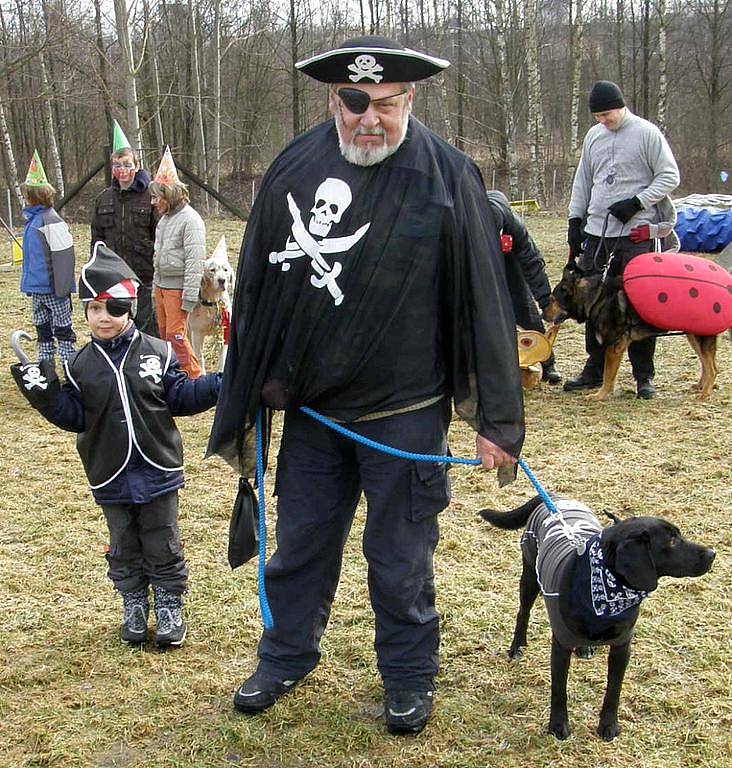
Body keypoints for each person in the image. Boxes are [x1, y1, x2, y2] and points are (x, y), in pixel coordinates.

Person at [207, 36, 525, 735]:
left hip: (406, 414)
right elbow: (259, 288)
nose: (369, 120)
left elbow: (483, 298)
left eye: (386, 104)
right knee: (303, 544)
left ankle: (409, 677)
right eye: (355, 105)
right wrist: (255, 385)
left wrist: (495, 416)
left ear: (409, 98)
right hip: (317, 412)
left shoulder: (446, 174)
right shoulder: (296, 167)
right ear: (333, 101)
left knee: (400, 558)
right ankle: (287, 654)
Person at [10, 244, 220, 648]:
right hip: (108, 472)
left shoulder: (158, 354)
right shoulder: (78, 366)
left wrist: (219, 386)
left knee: (163, 539)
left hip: (157, 468)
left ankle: (169, 604)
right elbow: (73, 417)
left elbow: (180, 397)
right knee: (123, 543)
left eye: (114, 307)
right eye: (94, 308)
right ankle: (134, 603)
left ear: (131, 306)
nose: (103, 317)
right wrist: (46, 394)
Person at [565, 80, 680, 399]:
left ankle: (643, 375)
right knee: (591, 301)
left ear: (620, 106)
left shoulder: (646, 133)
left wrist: (637, 202)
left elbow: (670, 176)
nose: (603, 121)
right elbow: (584, 179)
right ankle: (595, 368)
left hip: (635, 235)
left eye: (607, 114)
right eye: (597, 116)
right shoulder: (593, 137)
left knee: (639, 304)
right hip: (598, 233)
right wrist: (576, 219)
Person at [91, 120, 159, 336]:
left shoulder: (151, 197)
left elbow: (160, 235)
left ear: (136, 166)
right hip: (114, 277)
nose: (122, 170)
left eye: (127, 164)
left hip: (145, 276)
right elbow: (97, 240)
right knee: (118, 327)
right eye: (118, 165)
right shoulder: (103, 199)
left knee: (147, 328)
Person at [486, 190, 561, 384]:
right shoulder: (465, 220)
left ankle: (547, 363)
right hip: (473, 261)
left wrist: (546, 301)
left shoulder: (513, 225)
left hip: (510, 261)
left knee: (525, 308)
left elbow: (532, 263)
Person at [149, 145, 206, 379]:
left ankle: (193, 376)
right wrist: (155, 288)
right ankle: (174, 374)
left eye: (157, 197)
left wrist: (190, 296)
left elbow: (195, 260)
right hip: (162, 287)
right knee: (164, 334)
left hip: (178, 289)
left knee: (176, 335)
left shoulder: (190, 221)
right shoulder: (164, 221)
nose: (153, 202)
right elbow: (158, 257)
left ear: (169, 194)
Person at [20, 150, 76, 364]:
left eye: (27, 195)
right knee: (43, 331)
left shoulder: (51, 221)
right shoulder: (32, 222)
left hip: (54, 290)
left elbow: (64, 258)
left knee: (62, 330)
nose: (25, 199)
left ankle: (69, 366)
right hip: (37, 289)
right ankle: (46, 368)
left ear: (36, 196)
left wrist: (62, 289)